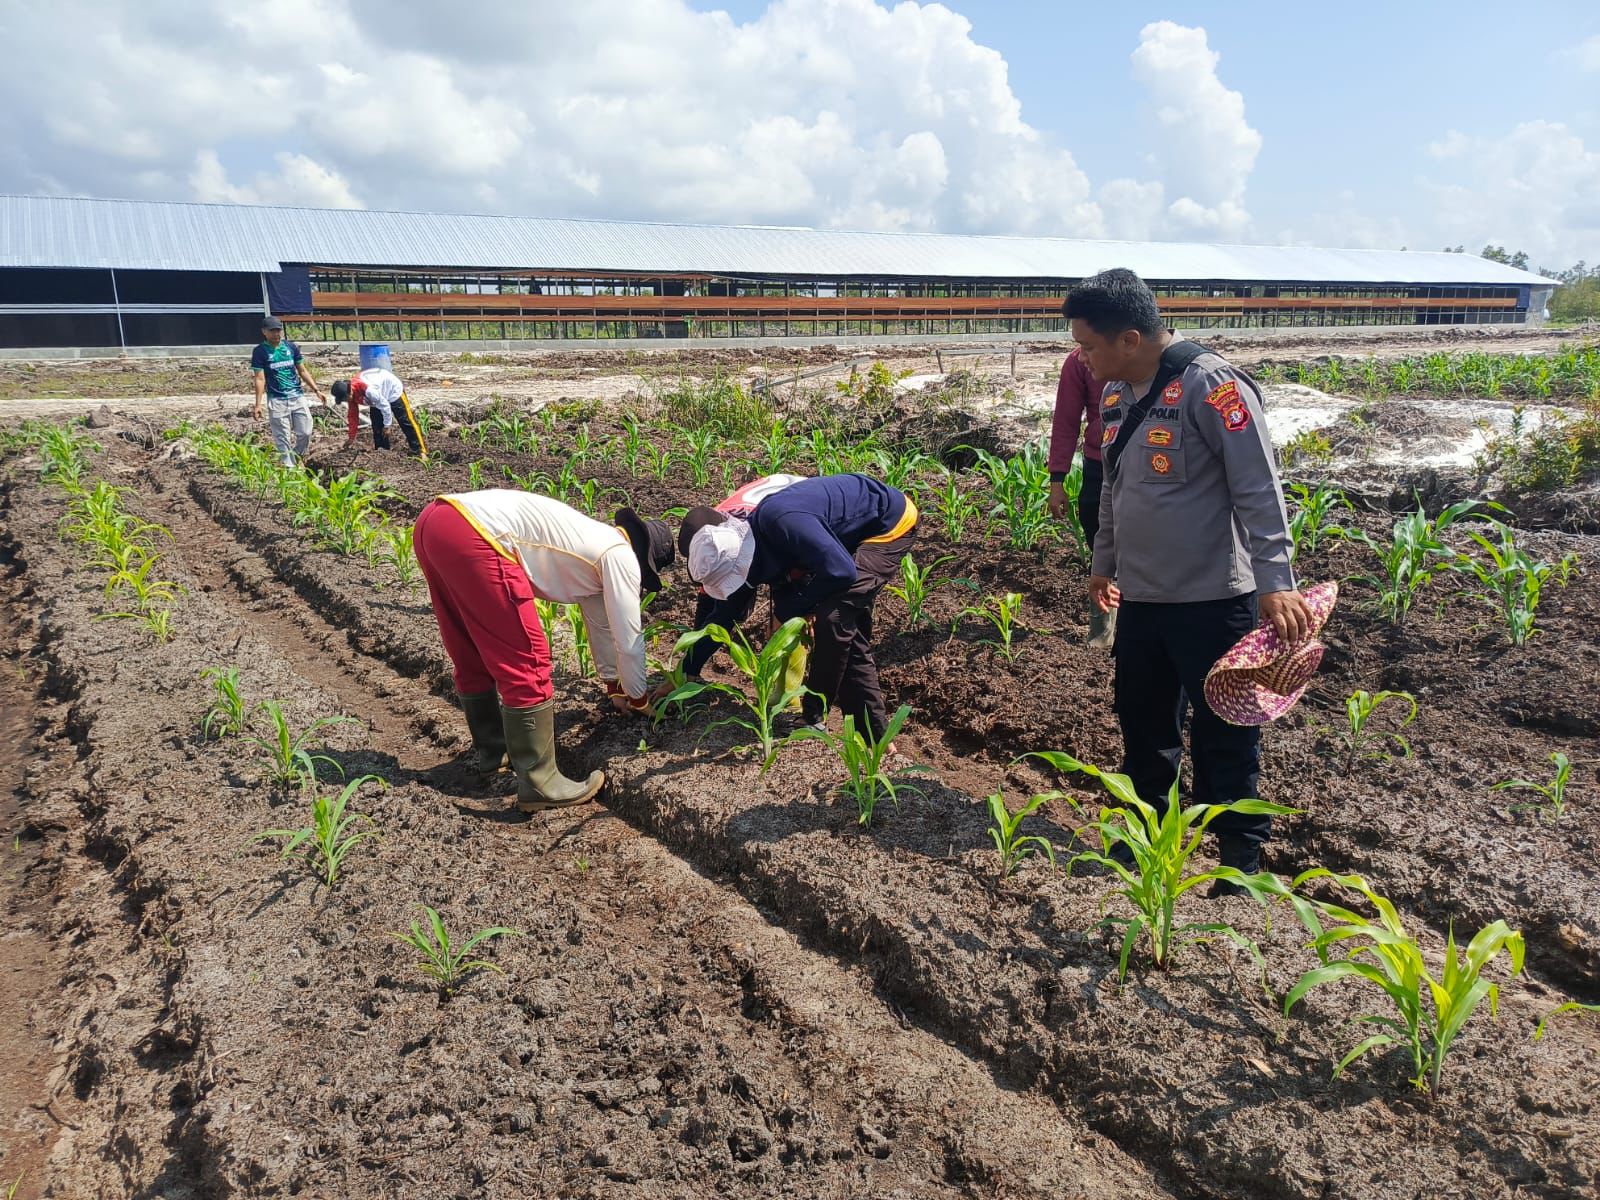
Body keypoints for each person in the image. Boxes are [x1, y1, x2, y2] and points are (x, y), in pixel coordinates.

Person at [1064, 268, 1312, 893]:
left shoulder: (1213, 386)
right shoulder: (1119, 397)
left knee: (1225, 732)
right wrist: (1103, 561)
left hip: (1212, 602)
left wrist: (1275, 581)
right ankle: (1147, 843)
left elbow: (1258, 489)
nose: (1082, 360)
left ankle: (1238, 866)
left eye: (1088, 346)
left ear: (1128, 338)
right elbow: (1115, 494)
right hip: (1143, 603)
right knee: (1143, 727)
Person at [412, 489, 673, 813]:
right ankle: (541, 782)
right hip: (477, 534)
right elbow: (629, 638)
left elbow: (603, 627)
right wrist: (639, 697)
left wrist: (613, 686)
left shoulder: (597, 544)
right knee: (528, 658)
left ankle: (492, 754)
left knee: (470, 651)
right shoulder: (620, 555)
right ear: (644, 559)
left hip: (434, 523)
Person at [676, 473, 916, 741]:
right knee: (845, 628)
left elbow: (842, 572)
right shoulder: (744, 552)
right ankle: (875, 738)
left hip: (887, 522)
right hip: (837, 533)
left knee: (834, 618)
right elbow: (724, 615)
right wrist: (686, 670)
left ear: (738, 565)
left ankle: (814, 718)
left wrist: (786, 612)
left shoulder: (782, 525)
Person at [660, 473, 809, 701]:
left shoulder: (742, 545)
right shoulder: (713, 532)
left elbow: (725, 615)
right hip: (780, 512)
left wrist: (684, 670)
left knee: (790, 619)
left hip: (803, 526)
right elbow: (708, 606)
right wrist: (690, 665)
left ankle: (789, 701)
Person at [1047, 344, 1112, 646]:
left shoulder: (1144, 358)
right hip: (1099, 464)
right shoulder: (1078, 361)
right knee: (1099, 537)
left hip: (1144, 464)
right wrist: (1057, 479)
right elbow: (1066, 419)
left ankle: (1131, 625)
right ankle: (1103, 632)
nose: (1085, 352)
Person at [250, 316, 324, 466]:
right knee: (282, 436)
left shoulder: (291, 347)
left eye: (278, 330)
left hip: (297, 396)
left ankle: (297, 455)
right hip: (277, 399)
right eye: (272, 331)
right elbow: (259, 379)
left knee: (305, 432)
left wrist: (316, 390)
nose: (276, 334)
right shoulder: (260, 352)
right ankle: (290, 469)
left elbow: (302, 370)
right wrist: (258, 404)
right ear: (264, 332)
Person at [330, 365, 428, 459]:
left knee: (405, 421)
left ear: (349, 392)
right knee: (377, 427)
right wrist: (351, 437)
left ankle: (420, 450)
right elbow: (353, 416)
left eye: (345, 398)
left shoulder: (368, 390)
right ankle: (382, 452)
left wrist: (387, 425)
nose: (346, 401)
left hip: (392, 390)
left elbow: (385, 405)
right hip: (377, 399)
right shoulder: (351, 396)